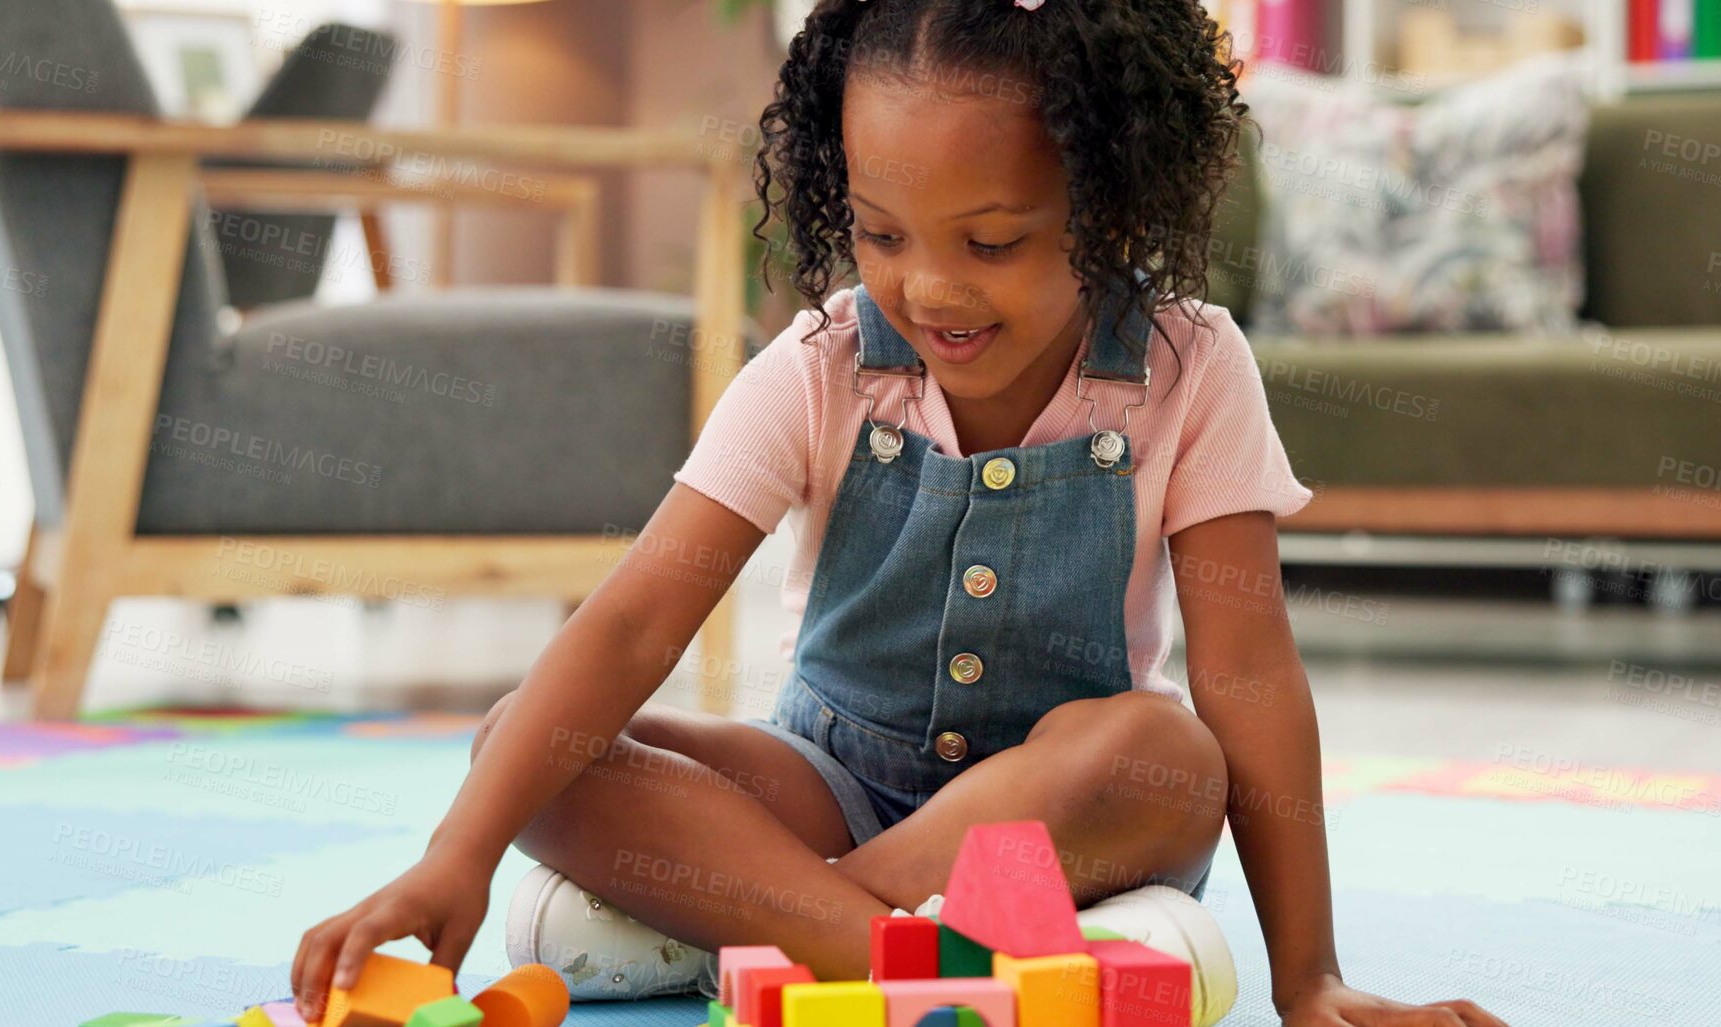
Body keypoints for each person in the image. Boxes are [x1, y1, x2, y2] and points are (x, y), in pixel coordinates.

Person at [293, 2, 1510, 1024]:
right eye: (881, 233)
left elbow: (1249, 675)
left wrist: (1313, 982)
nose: (930, 287)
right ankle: (909, 966)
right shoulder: (822, 363)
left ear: (1117, 212)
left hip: (1064, 822)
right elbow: (627, 631)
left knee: (1167, 753)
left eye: (990, 242)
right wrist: (454, 856)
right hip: (827, 781)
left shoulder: (1194, 370)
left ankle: (772, 933)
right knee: (529, 742)